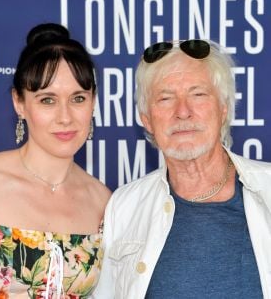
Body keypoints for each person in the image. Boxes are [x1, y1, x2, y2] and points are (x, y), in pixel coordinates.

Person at [93, 39, 271, 298]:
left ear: (223, 109)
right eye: (165, 98)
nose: (183, 112)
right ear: (147, 119)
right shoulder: (124, 207)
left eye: (198, 95)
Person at [0, 23, 111, 298]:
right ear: (19, 103)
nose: (65, 117)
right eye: (47, 100)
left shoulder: (103, 203)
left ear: (93, 101)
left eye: (78, 98)